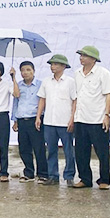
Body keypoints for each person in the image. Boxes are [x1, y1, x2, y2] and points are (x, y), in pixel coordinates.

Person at [71, 45, 110, 189]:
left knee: (102, 152)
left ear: (93, 58)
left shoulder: (103, 73)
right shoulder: (77, 73)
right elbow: (76, 96)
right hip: (80, 117)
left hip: (97, 118)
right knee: (81, 151)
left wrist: (107, 115)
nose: (81, 58)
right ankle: (85, 178)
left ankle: (104, 180)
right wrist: (73, 116)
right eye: (80, 55)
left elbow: (108, 95)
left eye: (84, 55)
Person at [35, 53, 76, 186]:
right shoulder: (46, 81)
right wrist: (38, 116)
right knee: (51, 149)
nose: (53, 66)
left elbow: (75, 101)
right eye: (52, 64)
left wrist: (72, 119)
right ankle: (53, 175)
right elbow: (42, 99)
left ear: (64, 66)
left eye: (56, 64)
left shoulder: (70, 82)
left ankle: (69, 176)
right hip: (49, 122)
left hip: (65, 121)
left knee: (68, 150)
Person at [12, 61, 46, 182]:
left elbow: (43, 102)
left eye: (28, 70)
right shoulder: (19, 85)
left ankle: (42, 173)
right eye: (23, 70)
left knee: (39, 148)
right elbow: (16, 101)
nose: (25, 73)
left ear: (34, 71)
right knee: (24, 148)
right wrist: (15, 119)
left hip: (35, 119)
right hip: (22, 120)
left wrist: (40, 118)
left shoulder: (40, 85)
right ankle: (29, 173)